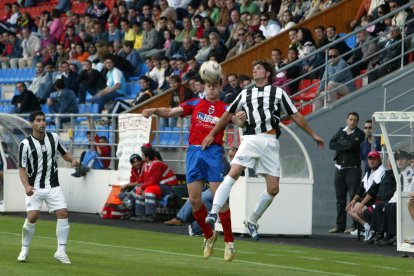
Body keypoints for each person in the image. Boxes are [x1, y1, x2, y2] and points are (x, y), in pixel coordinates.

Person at [201, 59, 325, 241]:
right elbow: (227, 114)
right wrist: (212, 133)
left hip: (270, 141)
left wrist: (313, 134)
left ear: (267, 73)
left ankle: (252, 221)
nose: (254, 71)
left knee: (273, 189)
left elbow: (295, 115)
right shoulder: (245, 93)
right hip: (250, 139)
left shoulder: (278, 92)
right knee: (233, 173)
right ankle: (213, 213)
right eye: (253, 68)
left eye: (258, 68)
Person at [142, 75, 247, 261]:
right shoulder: (194, 103)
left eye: (215, 86)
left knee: (219, 198)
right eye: (209, 85)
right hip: (193, 152)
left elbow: (239, 123)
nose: (212, 89)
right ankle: (209, 235)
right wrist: (154, 109)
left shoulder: (225, 107)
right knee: (194, 200)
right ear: (204, 87)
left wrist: (241, 118)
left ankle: (229, 242)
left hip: (213, 152)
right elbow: (170, 112)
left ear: (220, 88)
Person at [17, 111, 80, 264]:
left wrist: (72, 159)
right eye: (38, 120)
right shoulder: (25, 145)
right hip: (35, 187)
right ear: (32, 123)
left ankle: (61, 251)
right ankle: (24, 250)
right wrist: (26, 186)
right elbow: (22, 168)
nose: (42, 123)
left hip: (53, 185)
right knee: (32, 217)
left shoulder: (54, 138)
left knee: (63, 213)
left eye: (44, 120)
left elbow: (64, 153)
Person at [328, 112, 365, 234]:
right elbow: (331, 144)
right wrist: (345, 144)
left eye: (355, 120)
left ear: (357, 122)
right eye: (350, 119)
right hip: (339, 168)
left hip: (353, 169)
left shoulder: (360, 134)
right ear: (346, 120)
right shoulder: (340, 131)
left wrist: (341, 143)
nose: (352, 122)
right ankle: (340, 226)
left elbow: (352, 145)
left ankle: (355, 226)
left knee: (354, 198)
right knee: (340, 199)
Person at [345, 150, 385, 241]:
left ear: (378, 160)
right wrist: (353, 201)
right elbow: (361, 189)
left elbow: (373, 191)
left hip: (374, 200)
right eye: (370, 159)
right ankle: (366, 226)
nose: (371, 161)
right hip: (366, 201)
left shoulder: (381, 171)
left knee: (359, 210)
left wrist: (361, 204)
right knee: (349, 208)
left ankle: (371, 229)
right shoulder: (368, 172)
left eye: (374, 159)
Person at [130, 147, 177, 222]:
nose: (141, 157)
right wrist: (141, 187)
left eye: (143, 155)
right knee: (139, 189)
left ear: (147, 157)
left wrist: (143, 187)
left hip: (168, 186)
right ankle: (140, 215)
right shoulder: (146, 164)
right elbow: (143, 180)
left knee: (149, 190)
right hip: (159, 185)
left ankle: (151, 215)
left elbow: (154, 181)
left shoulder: (157, 164)